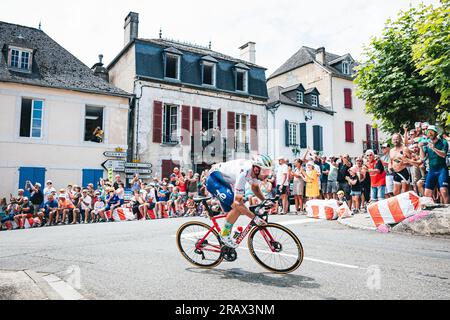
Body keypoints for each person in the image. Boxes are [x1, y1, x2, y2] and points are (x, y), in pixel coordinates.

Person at [205, 155, 274, 248]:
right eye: (265, 171)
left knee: (232, 212)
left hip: (227, 181)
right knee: (237, 207)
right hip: (215, 179)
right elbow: (238, 204)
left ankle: (226, 234)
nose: (267, 174)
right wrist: (254, 218)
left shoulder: (253, 171)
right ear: (256, 169)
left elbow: (255, 188)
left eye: (268, 171)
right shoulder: (244, 173)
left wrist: (265, 200)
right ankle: (224, 234)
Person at [420, 126, 449, 204]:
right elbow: (422, 158)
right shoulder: (427, 143)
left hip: (442, 169)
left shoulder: (443, 142)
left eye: (432, 132)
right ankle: (430, 212)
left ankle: (447, 211)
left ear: (436, 133)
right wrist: (421, 148)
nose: (430, 134)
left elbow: (443, 155)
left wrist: (434, 148)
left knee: (444, 191)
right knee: (427, 194)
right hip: (432, 170)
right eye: (429, 132)